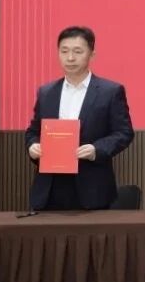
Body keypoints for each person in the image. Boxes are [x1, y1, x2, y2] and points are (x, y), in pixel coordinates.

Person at [24, 26, 134, 210]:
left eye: (77, 51)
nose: (70, 58)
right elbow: (33, 132)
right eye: (64, 51)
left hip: (91, 186)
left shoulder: (110, 91)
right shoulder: (46, 92)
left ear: (92, 55)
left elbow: (124, 133)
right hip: (50, 188)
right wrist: (32, 145)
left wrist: (96, 149)